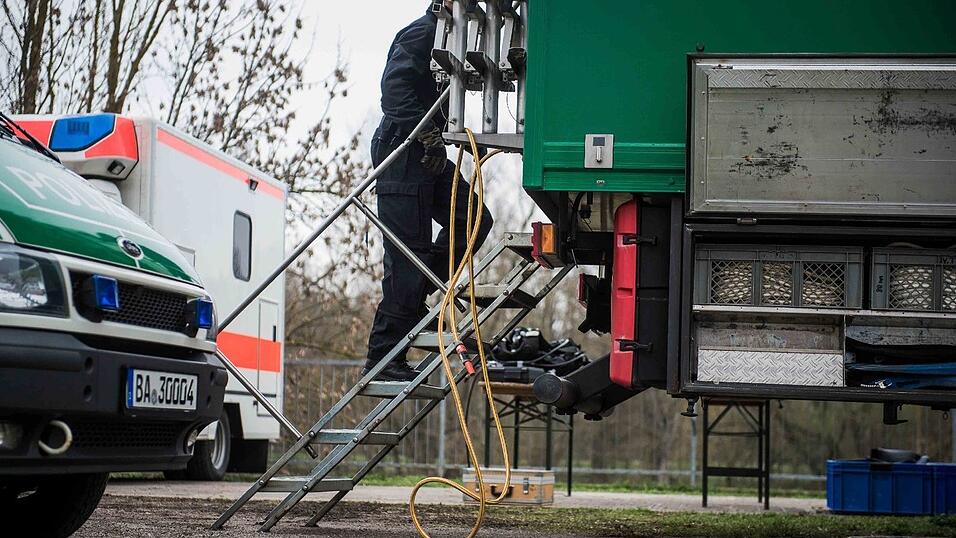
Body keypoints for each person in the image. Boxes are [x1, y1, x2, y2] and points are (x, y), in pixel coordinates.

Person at [363, 1, 494, 382]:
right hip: (402, 152)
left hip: (426, 153)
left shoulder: (451, 41)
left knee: (473, 218)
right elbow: (394, 89)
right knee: (408, 256)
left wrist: (457, 138)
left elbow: (435, 101)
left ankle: (416, 295)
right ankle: (382, 361)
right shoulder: (423, 33)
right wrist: (428, 135)